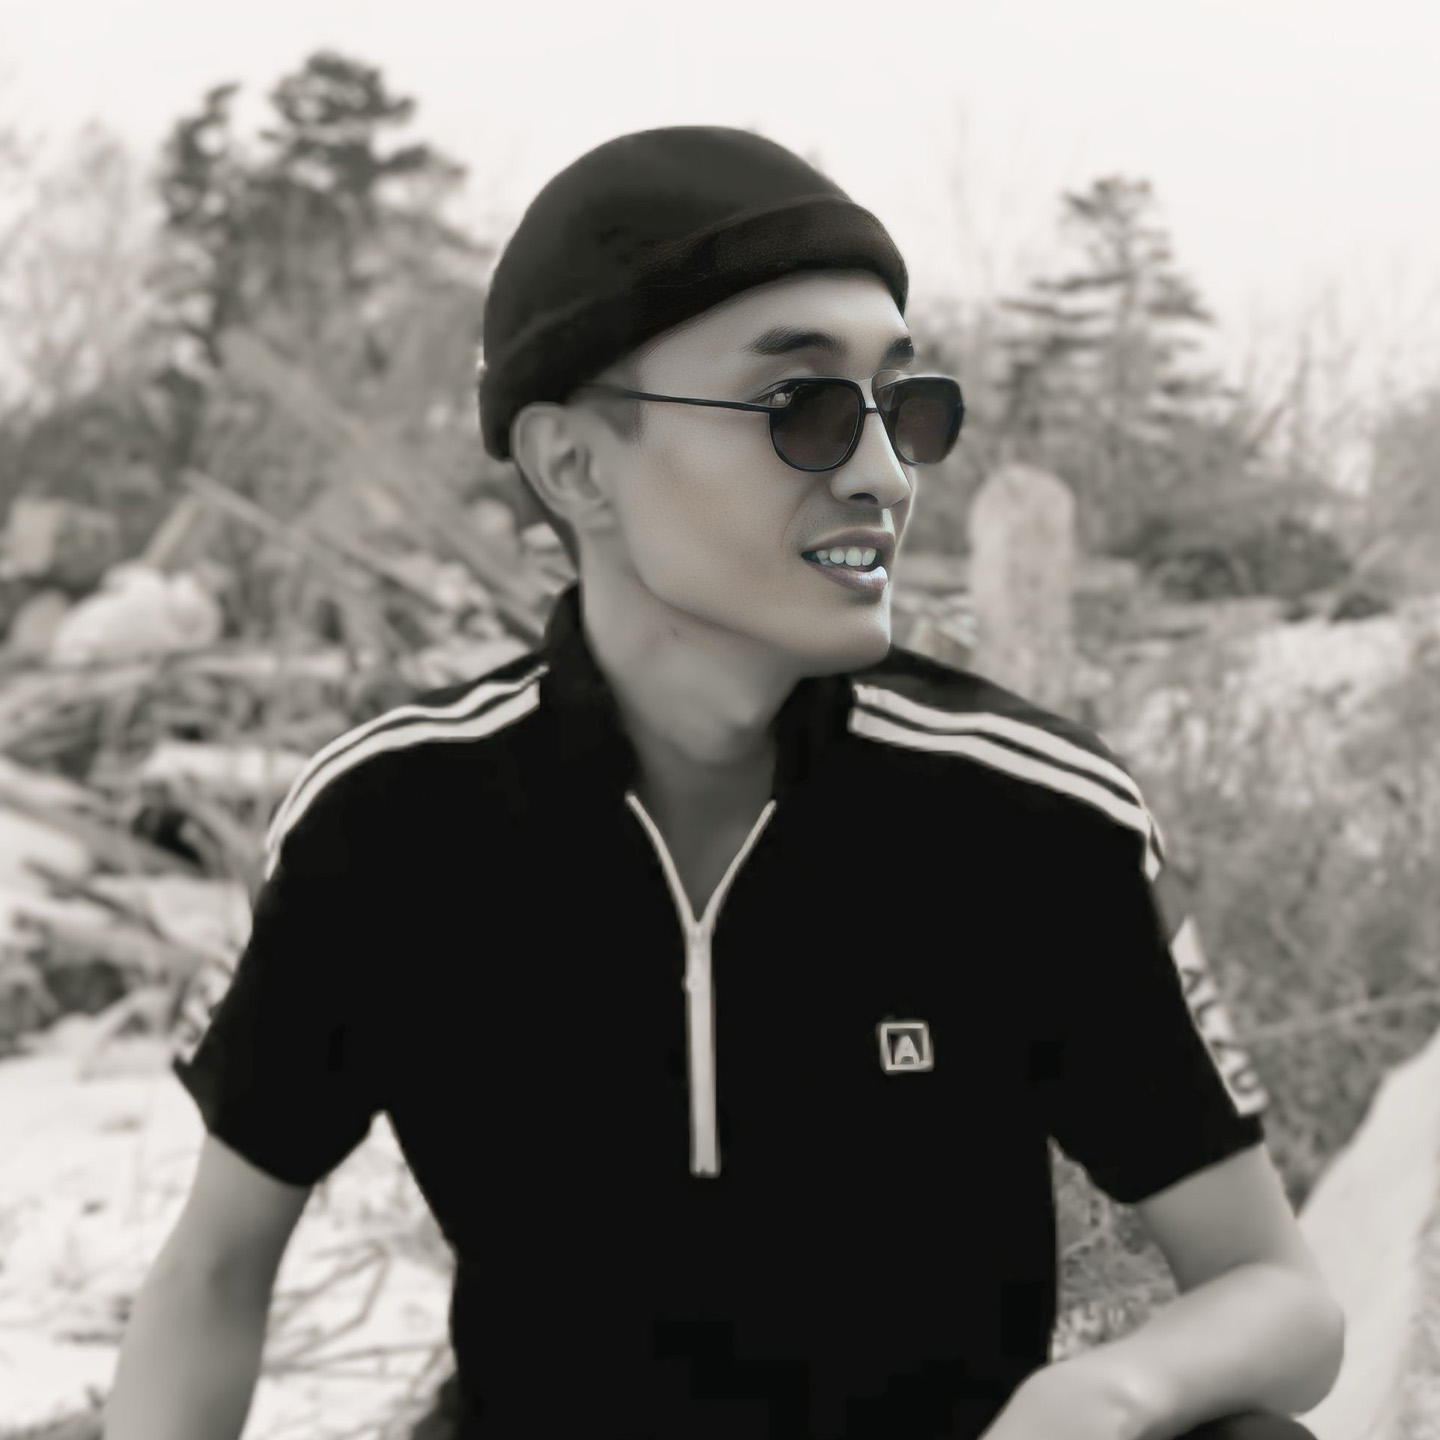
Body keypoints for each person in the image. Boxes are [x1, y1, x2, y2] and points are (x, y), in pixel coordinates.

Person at [104, 126, 1336, 1440]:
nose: (884, 474)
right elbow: (215, 1274)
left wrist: (1108, 1393)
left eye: (904, 407)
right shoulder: (387, 826)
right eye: (802, 408)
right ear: (577, 467)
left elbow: (1280, 1296)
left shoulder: (1035, 821)